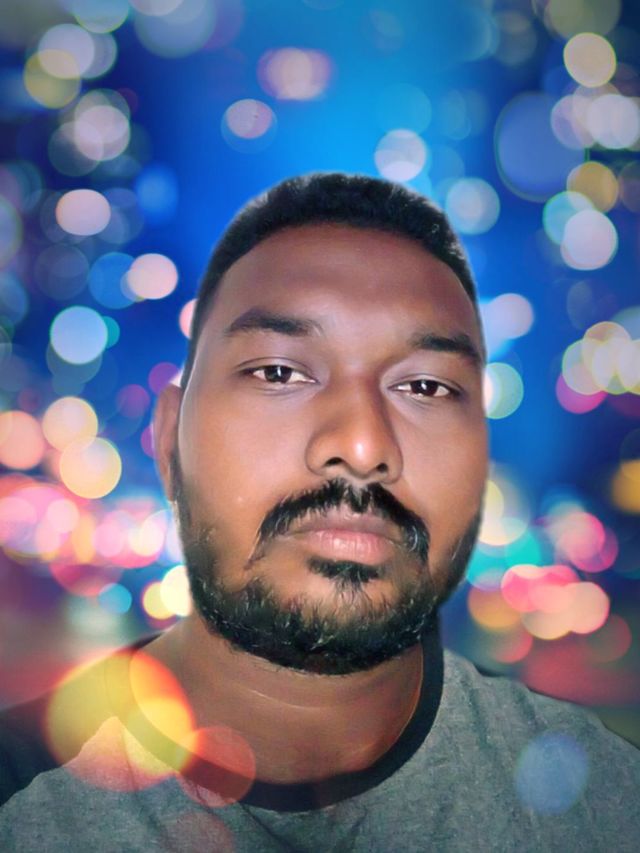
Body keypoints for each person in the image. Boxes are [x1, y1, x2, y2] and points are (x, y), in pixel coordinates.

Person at [0, 173, 638, 851]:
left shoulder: (607, 810)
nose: (362, 445)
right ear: (167, 441)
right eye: (279, 372)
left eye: (425, 386)